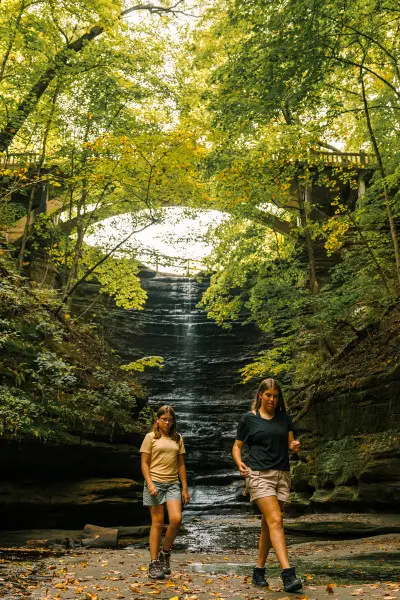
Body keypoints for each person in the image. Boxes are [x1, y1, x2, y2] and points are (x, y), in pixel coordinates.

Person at [232, 378, 302, 593]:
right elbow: (236, 446)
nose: (272, 399)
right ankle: (288, 575)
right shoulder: (249, 419)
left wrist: (295, 446)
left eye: (275, 396)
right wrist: (239, 462)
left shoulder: (284, 418)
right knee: (276, 520)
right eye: (268, 395)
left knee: (268, 524)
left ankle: (259, 571)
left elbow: (291, 444)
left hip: (282, 475)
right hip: (259, 475)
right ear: (260, 395)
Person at [140, 405, 190, 580]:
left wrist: (184, 488)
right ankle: (154, 563)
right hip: (155, 483)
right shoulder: (150, 437)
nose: (167, 423)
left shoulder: (177, 438)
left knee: (176, 519)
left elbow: (181, 465)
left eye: (170, 420)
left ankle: (165, 552)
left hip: (172, 484)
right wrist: (150, 483)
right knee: (158, 523)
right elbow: (144, 463)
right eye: (164, 419)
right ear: (157, 420)